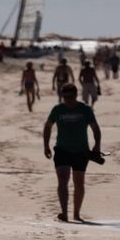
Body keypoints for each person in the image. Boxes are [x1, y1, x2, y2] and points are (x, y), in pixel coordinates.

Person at [42, 84, 102, 222]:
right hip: (62, 149)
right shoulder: (58, 110)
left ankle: (76, 213)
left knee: (79, 182)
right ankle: (64, 212)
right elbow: (48, 126)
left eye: (70, 97)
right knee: (62, 180)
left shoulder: (85, 109)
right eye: (65, 97)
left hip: (81, 151)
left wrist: (97, 145)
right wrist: (46, 145)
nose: (67, 100)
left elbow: (95, 128)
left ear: (76, 95)